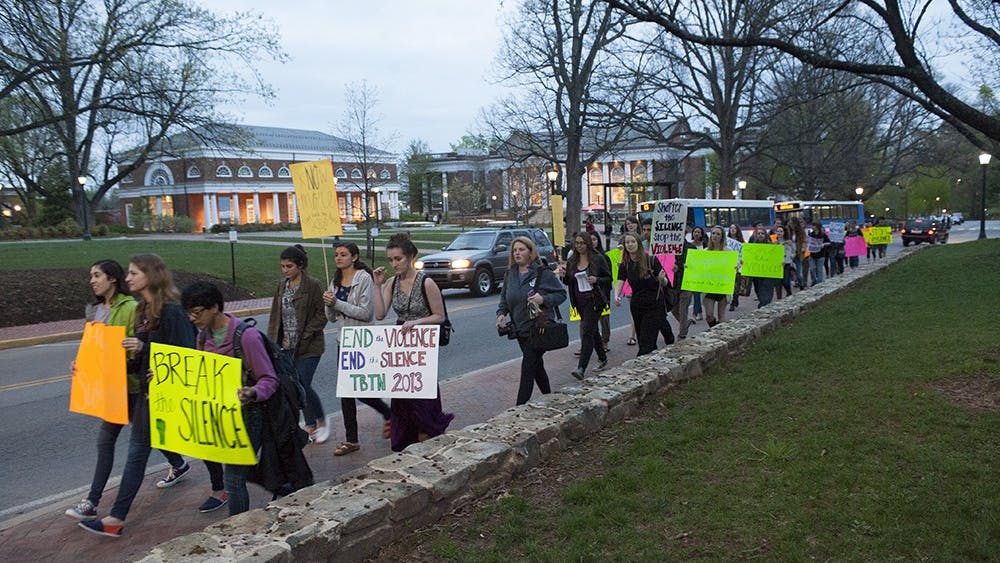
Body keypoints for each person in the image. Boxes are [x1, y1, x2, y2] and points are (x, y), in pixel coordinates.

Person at [79, 254, 195, 537]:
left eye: (133, 273)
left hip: (165, 394)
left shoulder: (171, 311)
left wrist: (146, 350)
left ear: (151, 276)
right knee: (137, 453)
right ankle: (116, 518)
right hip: (147, 393)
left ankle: (222, 487)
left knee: (142, 452)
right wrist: (90, 367)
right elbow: (139, 360)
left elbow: (186, 354)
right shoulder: (144, 310)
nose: (127, 278)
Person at [181, 281, 280, 517]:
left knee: (233, 477)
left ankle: (237, 527)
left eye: (197, 313)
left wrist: (252, 392)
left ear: (214, 307)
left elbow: (269, 379)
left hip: (249, 416)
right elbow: (201, 374)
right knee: (236, 475)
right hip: (222, 417)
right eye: (189, 314)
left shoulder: (247, 337)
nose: (192, 319)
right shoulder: (203, 337)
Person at [373, 233, 454, 451]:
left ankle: (427, 429)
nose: (394, 264)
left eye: (398, 259)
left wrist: (417, 322)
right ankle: (405, 434)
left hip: (423, 339)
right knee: (401, 389)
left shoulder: (426, 282)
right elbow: (380, 314)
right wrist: (377, 286)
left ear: (410, 257)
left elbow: (440, 316)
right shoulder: (392, 283)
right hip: (402, 339)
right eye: (390, 259)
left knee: (422, 388)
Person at [323, 241, 391, 456]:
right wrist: (328, 303)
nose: (338, 258)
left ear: (354, 257)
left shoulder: (363, 278)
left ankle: (389, 413)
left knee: (360, 390)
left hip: (362, 340)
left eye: (343, 254)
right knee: (346, 392)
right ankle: (351, 439)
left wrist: (337, 304)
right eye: (336, 254)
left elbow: (365, 313)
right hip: (343, 341)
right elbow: (331, 318)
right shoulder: (335, 280)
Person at [267, 245, 329, 444]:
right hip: (286, 345)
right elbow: (276, 315)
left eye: (289, 266)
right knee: (294, 387)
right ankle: (309, 423)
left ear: (300, 266)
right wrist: (270, 342)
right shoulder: (281, 285)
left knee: (303, 383)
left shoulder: (312, 285)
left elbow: (323, 313)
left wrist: (309, 333)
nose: (285, 270)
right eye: (283, 266)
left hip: (309, 345)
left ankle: (321, 422)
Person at [496, 235, 568, 404]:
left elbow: (561, 294)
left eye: (521, 250)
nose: (517, 253)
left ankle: (518, 407)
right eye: (514, 250)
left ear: (531, 252)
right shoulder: (510, 274)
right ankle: (550, 397)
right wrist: (501, 313)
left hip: (538, 328)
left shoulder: (543, 273)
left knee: (528, 365)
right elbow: (504, 298)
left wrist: (543, 299)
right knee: (536, 366)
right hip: (519, 329)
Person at [557, 233, 610, 380]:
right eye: (577, 243)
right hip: (579, 302)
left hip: (594, 300)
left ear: (588, 244)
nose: (579, 246)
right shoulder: (572, 260)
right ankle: (603, 358)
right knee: (592, 331)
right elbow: (568, 281)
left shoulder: (598, 259)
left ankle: (581, 368)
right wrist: (563, 275)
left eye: (582, 243)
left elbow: (608, 279)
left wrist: (596, 279)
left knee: (587, 331)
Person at [614, 232, 670, 356]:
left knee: (646, 341)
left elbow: (666, 283)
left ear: (639, 243)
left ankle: (640, 363)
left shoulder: (650, 259)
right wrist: (616, 295)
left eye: (632, 241)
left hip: (654, 304)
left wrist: (662, 279)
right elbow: (620, 281)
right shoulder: (625, 264)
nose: (630, 245)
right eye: (627, 242)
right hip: (637, 305)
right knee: (643, 338)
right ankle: (652, 357)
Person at [589, 231, 612, 353]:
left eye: (594, 239)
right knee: (587, 322)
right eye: (590, 239)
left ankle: (605, 341)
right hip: (588, 295)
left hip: (602, 293)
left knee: (604, 320)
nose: (592, 242)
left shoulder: (604, 257)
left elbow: (609, 278)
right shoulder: (584, 258)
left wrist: (598, 281)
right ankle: (587, 343)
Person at [702, 226, 729, 327]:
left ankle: (721, 336)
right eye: (713, 233)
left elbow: (734, 267)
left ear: (722, 237)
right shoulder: (705, 252)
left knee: (721, 316)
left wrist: (736, 266)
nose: (715, 236)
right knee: (709, 315)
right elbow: (699, 267)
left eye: (718, 234)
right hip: (708, 287)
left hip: (722, 286)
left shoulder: (727, 252)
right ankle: (714, 329)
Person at [747, 224, 775, 307]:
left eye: (762, 233)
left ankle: (762, 306)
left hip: (768, 274)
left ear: (765, 235)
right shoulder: (752, 247)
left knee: (767, 294)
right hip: (757, 274)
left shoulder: (772, 247)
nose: (760, 235)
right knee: (758, 291)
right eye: (758, 233)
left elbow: (775, 259)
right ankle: (763, 306)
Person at [688, 226, 707, 321]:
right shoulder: (690, 246)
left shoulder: (705, 245)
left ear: (702, 234)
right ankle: (695, 313)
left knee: (703, 294)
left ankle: (699, 312)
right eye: (695, 232)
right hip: (694, 272)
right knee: (696, 293)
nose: (696, 234)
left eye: (698, 232)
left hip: (705, 272)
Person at [727, 224, 745, 311]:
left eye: (734, 228)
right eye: (731, 228)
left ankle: (734, 301)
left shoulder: (741, 242)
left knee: (736, 285)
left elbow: (745, 254)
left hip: (738, 266)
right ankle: (732, 300)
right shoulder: (726, 241)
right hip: (729, 265)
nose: (733, 230)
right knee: (730, 285)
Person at [775, 224, 795, 299]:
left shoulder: (789, 242)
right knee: (778, 282)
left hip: (786, 264)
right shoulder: (775, 243)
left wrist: (792, 255)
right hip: (778, 265)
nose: (779, 233)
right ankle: (779, 298)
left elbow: (793, 251)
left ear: (784, 232)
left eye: (781, 231)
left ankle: (789, 292)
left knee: (786, 281)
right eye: (778, 231)